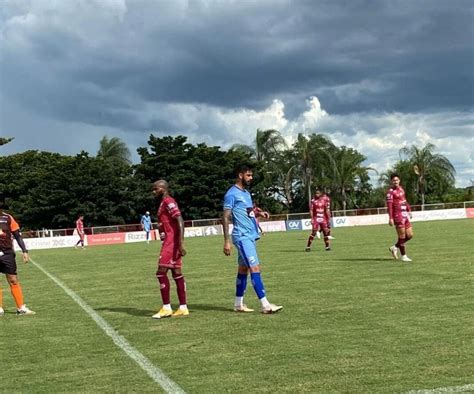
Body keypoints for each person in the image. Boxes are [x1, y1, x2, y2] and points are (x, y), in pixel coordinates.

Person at [223, 165, 282, 314]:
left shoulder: (246, 193)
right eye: (248, 175)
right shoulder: (231, 194)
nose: (251, 178)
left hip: (249, 235)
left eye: (251, 175)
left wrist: (259, 214)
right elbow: (225, 217)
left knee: (243, 269)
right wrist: (226, 241)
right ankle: (266, 305)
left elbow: (248, 212)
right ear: (240, 175)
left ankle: (238, 304)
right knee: (255, 268)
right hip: (241, 236)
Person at [151, 180, 188, 319]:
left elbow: (179, 219)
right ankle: (183, 307)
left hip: (171, 243)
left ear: (162, 188)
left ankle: (166, 307)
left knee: (161, 272)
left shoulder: (168, 201)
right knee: (177, 272)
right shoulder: (162, 202)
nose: (153, 192)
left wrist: (180, 243)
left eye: (155, 189)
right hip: (170, 241)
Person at [0, 209, 35, 316]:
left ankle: (21, 308)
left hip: (7, 254)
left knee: (13, 280)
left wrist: (24, 251)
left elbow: (17, 236)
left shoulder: (7, 217)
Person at [386, 174, 413, 262]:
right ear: (391, 182)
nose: (396, 182)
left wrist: (409, 209)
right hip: (398, 216)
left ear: (399, 180)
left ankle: (394, 247)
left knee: (410, 235)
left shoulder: (401, 189)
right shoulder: (390, 192)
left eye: (397, 180)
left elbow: (404, 200)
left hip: (405, 214)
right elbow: (389, 206)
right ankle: (404, 256)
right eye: (394, 180)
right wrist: (390, 218)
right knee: (402, 236)